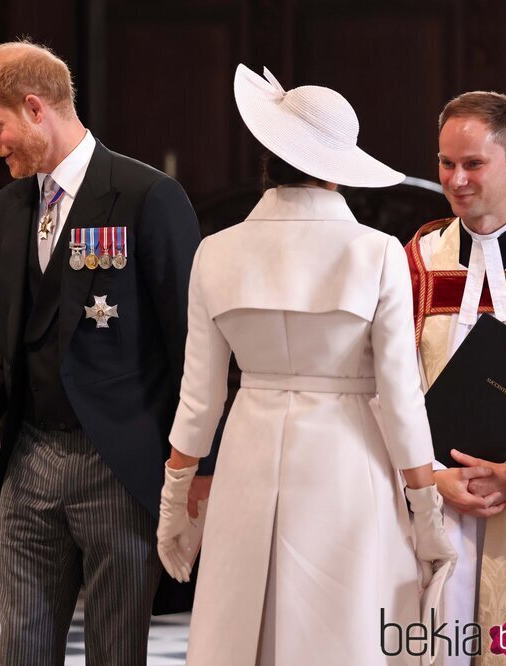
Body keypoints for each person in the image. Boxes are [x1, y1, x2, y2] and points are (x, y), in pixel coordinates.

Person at [157, 65, 456, 665]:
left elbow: (199, 400)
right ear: (336, 167)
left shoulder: (215, 252)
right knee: (348, 635)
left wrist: (174, 502)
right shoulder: (376, 254)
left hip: (248, 457)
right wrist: (426, 512)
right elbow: (401, 399)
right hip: (348, 466)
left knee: (246, 635)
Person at [0, 41, 209, 665]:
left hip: (120, 462)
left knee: (115, 653)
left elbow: (193, 342)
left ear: (36, 108)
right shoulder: (7, 207)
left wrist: (198, 464)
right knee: (21, 650)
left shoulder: (148, 195)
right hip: (28, 459)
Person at [405, 91, 506, 665]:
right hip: (432, 500)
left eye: (473, 163)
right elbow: (389, 385)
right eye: (446, 163)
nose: (456, 180)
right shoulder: (415, 261)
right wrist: (432, 477)